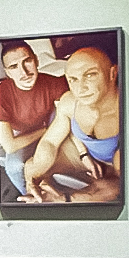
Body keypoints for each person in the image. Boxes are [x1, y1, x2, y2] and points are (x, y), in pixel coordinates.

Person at [20, 47, 121, 203]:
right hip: (82, 153)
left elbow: (119, 183)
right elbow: (50, 142)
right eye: (73, 79)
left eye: (90, 75)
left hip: (113, 166)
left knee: (108, 188)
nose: (80, 88)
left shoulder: (125, 114)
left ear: (112, 74)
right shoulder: (69, 102)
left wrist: (65, 198)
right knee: (35, 166)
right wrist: (32, 181)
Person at [0, 41, 69, 198]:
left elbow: (65, 118)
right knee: (14, 167)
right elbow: (9, 146)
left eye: (27, 61)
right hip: (22, 132)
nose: (24, 72)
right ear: (7, 73)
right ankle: (31, 197)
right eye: (14, 67)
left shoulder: (54, 83)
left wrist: (83, 153)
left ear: (36, 60)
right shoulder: (0, 93)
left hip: (50, 123)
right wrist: (43, 131)